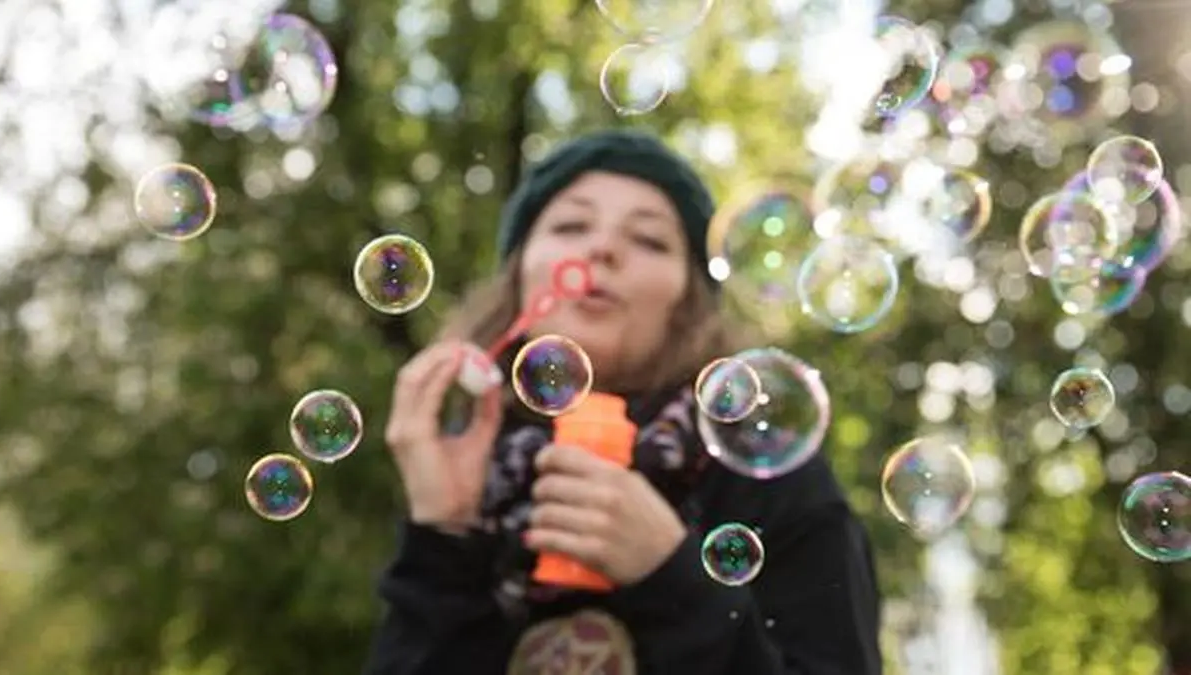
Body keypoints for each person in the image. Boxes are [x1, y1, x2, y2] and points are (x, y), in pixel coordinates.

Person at [361, 129, 883, 675]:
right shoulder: (470, 469)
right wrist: (443, 534)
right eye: (570, 226)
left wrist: (669, 575)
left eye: (650, 240)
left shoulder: (771, 479)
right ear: (518, 278)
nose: (602, 249)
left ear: (688, 301)